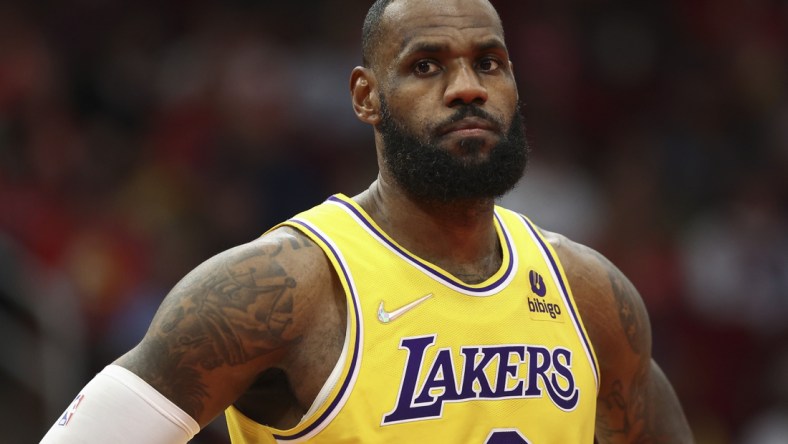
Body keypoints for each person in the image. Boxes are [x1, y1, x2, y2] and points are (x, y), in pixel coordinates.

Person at [41, 0, 694, 442]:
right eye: (426, 65)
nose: (467, 86)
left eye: (488, 62)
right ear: (365, 97)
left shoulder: (589, 293)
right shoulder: (283, 289)